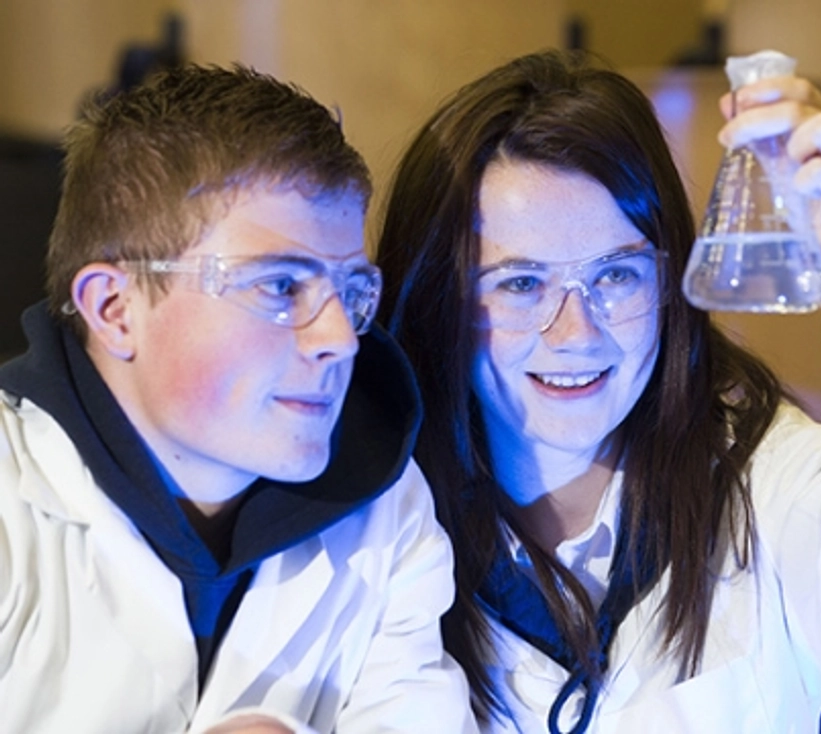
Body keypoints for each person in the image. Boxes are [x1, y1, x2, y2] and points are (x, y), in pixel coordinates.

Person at [374, 49, 821, 733]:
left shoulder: (761, 479)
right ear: (436, 300)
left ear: (669, 278)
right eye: (520, 283)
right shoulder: (367, 525)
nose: (574, 332)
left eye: (616, 276)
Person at [0, 64, 475, 734]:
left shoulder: (387, 513)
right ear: (114, 308)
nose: (340, 337)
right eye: (281, 287)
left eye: (350, 292)